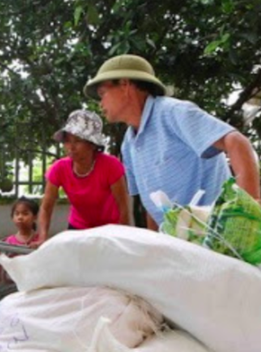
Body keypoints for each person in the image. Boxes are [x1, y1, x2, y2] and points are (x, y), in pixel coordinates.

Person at [84, 54, 261, 230]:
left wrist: (248, 214)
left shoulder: (173, 112)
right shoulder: (129, 144)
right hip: (180, 243)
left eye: (102, 93)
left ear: (125, 85)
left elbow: (236, 141)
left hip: (218, 236)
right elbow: (152, 205)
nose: (100, 103)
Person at [36, 110, 130, 245]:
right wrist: (42, 237)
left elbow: (123, 208)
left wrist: (124, 238)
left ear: (92, 144)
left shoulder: (111, 165)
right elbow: (46, 207)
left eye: (78, 141)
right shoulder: (59, 168)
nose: (71, 147)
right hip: (78, 227)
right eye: (67, 141)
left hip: (110, 229)